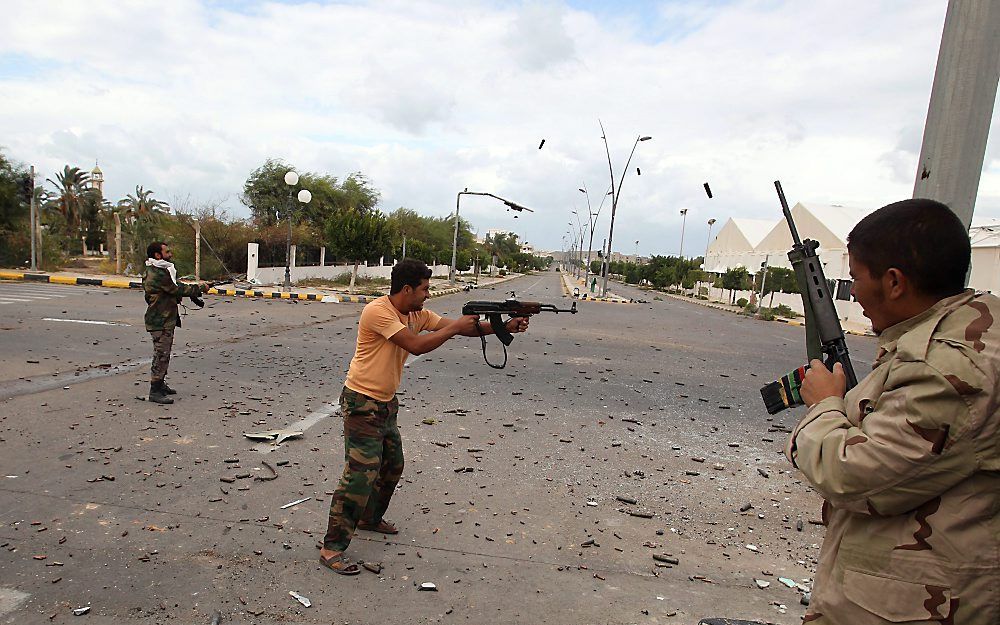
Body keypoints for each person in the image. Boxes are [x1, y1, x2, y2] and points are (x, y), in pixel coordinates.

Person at [787, 199, 998, 624]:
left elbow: (850, 474)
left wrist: (825, 405)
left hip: (917, 602)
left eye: (855, 279)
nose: (855, 294)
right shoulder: (971, 329)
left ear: (895, 282)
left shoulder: (945, 368)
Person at [319, 259, 530, 575]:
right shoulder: (378, 312)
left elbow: (458, 328)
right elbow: (415, 345)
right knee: (360, 474)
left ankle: (369, 518)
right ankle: (331, 548)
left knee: (393, 464)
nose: (428, 295)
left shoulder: (418, 314)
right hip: (361, 401)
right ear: (407, 289)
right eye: (425, 289)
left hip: (386, 404)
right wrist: (457, 326)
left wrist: (503, 327)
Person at [142, 242, 205, 405]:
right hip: (159, 320)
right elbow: (176, 289)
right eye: (167, 252)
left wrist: (195, 288)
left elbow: (174, 287)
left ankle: (160, 384)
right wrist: (200, 288)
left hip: (164, 318)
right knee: (161, 354)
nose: (170, 254)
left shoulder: (158, 270)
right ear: (157, 255)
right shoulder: (158, 273)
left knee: (163, 353)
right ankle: (155, 391)